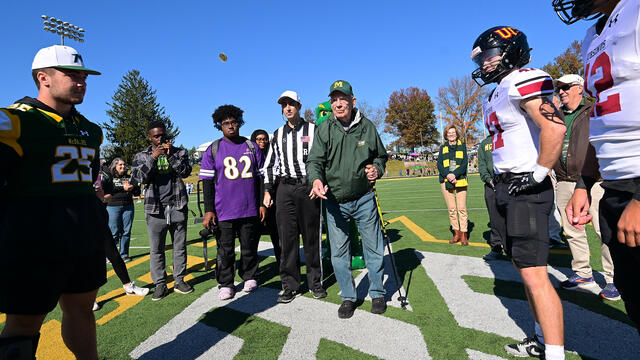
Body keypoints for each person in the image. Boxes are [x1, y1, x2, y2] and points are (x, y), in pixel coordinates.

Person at [0, 45, 106, 359]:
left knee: (82, 310)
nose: (81, 81)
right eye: (72, 74)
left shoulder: (90, 129)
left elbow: (90, 180)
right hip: (33, 240)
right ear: (43, 77)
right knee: (24, 323)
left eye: (84, 75)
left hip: (83, 236)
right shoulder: (14, 121)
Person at [471, 27, 567, 359]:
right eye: (482, 58)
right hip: (505, 185)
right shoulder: (498, 91)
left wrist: (539, 174)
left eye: (489, 55)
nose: (484, 64)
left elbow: (554, 127)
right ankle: (541, 338)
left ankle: (554, 353)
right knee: (524, 270)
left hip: (526, 185)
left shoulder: (523, 79)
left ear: (511, 51)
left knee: (536, 275)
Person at [555, 0, 640, 332]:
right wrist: (582, 183)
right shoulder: (593, 34)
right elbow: (602, 116)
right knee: (634, 302)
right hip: (617, 185)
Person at [307, 80, 388, 318]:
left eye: (342, 98)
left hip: (364, 199)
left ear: (353, 101)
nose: (338, 103)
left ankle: (378, 292)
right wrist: (316, 180)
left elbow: (381, 157)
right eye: (334, 99)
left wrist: (377, 169)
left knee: (373, 248)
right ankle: (348, 297)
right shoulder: (324, 129)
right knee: (339, 254)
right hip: (334, 202)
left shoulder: (368, 127)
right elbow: (315, 162)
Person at [551, 74, 618, 299]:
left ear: (579, 88)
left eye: (565, 87)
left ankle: (614, 278)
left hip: (594, 180)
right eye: (558, 88)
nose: (561, 91)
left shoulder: (592, 110)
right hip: (564, 181)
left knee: (603, 229)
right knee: (572, 231)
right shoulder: (557, 116)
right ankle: (582, 273)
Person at [261, 90, 325, 303]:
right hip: (285, 189)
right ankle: (290, 285)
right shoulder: (277, 135)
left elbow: (323, 159)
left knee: (311, 237)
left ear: (299, 106)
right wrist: (268, 190)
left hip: (307, 187)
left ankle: (315, 283)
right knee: (286, 239)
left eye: (291, 104)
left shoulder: (313, 130)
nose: (287, 108)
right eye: (284, 105)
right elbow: (270, 164)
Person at [200, 105, 266, 300]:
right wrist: (209, 210)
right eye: (226, 123)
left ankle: (249, 276)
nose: (231, 126)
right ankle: (226, 282)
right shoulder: (213, 149)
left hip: (249, 207)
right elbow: (207, 183)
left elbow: (262, 178)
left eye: (234, 122)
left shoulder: (252, 147)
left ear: (240, 123)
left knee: (249, 246)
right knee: (225, 249)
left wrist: (262, 203)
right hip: (224, 210)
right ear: (219, 126)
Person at [131, 121, 193, 301]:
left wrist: (171, 156)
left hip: (177, 204)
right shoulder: (142, 156)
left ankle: (179, 280)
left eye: (163, 135)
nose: (160, 139)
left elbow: (186, 172)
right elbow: (137, 179)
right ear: (150, 137)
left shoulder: (179, 152)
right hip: (154, 208)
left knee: (179, 246)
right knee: (156, 249)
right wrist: (153, 157)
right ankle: (160, 284)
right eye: (156, 136)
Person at [251, 129, 281, 266]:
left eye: (264, 139)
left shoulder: (272, 154)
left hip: (272, 199)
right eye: (259, 139)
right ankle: (252, 270)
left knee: (277, 235)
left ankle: (282, 264)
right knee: (253, 237)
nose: (262, 142)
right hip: (255, 201)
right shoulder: (250, 156)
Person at [102, 157, 140, 262]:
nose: (123, 166)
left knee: (126, 232)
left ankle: (124, 254)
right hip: (113, 206)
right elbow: (107, 189)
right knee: (114, 232)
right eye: (120, 165)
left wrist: (135, 186)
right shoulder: (109, 177)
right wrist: (122, 188)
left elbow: (137, 192)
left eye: (124, 165)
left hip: (128, 206)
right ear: (115, 166)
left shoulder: (129, 177)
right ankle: (110, 256)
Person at [437, 125, 469, 245]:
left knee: (461, 208)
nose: (451, 134)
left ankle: (464, 234)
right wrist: (448, 176)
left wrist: (454, 174)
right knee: (451, 209)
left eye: (453, 133)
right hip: (446, 180)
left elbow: (464, 163)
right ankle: (456, 233)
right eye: (449, 133)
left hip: (460, 179)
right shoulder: (442, 148)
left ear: (456, 134)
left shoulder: (462, 146)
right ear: (446, 135)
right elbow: (439, 164)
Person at [477, 134, 505, 260]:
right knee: (494, 217)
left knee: (512, 216)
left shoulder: (507, 137)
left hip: (507, 182)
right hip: (490, 185)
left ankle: (513, 248)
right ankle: (496, 247)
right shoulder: (484, 143)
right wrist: (488, 179)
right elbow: (482, 165)